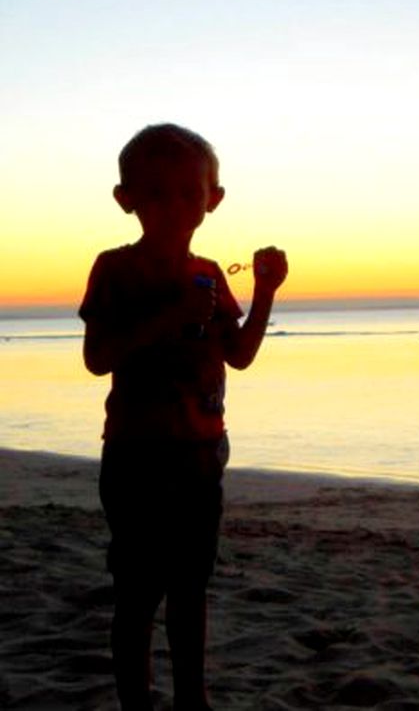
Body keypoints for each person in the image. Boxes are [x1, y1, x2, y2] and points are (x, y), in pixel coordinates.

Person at [81, 123, 288, 711]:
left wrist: (267, 291)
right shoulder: (116, 269)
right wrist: (171, 315)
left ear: (211, 200)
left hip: (201, 455)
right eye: (157, 193)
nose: (174, 207)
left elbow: (240, 355)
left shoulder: (210, 275)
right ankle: (136, 700)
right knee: (139, 590)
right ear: (127, 200)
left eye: (188, 194)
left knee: (192, 587)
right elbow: (98, 358)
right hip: (136, 454)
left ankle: (193, 699)